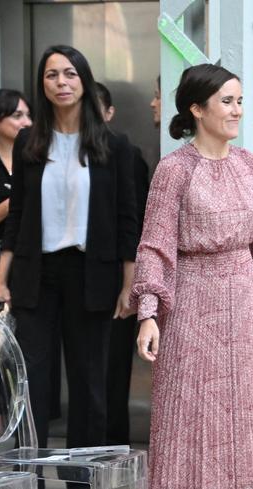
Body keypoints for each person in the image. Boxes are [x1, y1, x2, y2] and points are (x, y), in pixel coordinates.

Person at [132, 63, 253, 489]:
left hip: (242, 293)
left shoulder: (247, 164)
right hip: (191, 297)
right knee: (191, 415)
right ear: (196, 109)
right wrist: (149, 312)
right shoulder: (174, 170)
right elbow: (154, 243)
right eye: (226, 101)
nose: (237, 110)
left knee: (243, 415)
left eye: (240, 100)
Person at [0, 45, 138, 489]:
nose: (61, 82)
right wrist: (1, 281)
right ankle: (25, 483)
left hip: (92, 273)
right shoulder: (32, 146)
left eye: (70, 73)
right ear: (44, 85)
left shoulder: (115, 147)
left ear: (83, 80)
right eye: (51, 75)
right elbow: (17, 220)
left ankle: (82, 482)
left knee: (90, 381)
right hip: (38, 273)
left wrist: (129, 282)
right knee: (30, 381)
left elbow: (126, 222)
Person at [94, 81, 152, 448]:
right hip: (74, 273)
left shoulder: (126, 154)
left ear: (110, 113)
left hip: (118, 272)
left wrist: (131, 279)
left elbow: (136, 218)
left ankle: (112, 445)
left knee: (115, 364)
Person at [0, 89, 31, 305]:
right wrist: (14, 203)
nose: (27, 122)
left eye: (28, 115)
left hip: (33, 262)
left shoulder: (38, 161)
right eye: (17, 116)